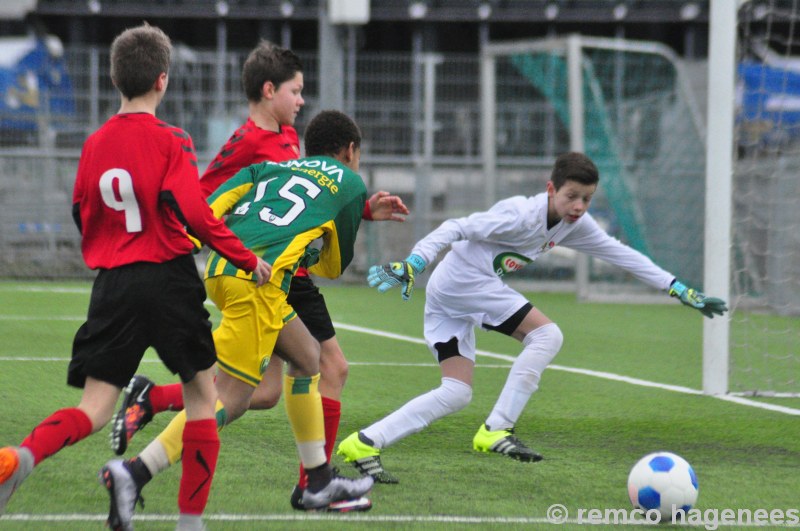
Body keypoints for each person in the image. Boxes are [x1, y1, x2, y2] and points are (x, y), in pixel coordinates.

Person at [106, 41, 407, 511]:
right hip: (259, 280)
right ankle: (135, 471)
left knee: (307, 359)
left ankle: (317, 480)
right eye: (296, 89)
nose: (300, 98)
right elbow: (331, 267)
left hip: (230, 266)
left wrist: (200, 242)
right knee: (227, 398)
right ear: (351, 151)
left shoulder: (273, 161)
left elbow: (221, 200)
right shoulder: (338, 176)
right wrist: (320, 236)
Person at [0, 23, 272, 531]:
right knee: (202, 398)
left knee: (94, 408)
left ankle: (23, 457)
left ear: (114, 79)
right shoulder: (172, 140)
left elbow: (83, 212)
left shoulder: (95, 143)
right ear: (162, 81)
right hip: (167, 279)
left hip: (114, 283)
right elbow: (197, 215)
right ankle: (189, 524)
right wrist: (246, 260)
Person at [336, 151, 728, 483]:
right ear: (551, 189)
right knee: (547, 336)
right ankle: (496, 429)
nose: (579, 207)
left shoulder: (576, 225)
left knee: (456, 392)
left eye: (587, 199)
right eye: (572, 196)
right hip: (463, 284)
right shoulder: (520, 216)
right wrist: (415, 261)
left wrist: (676, 287)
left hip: (453, 293)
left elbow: (621, 254)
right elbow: (455, 226)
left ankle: (365, 442)